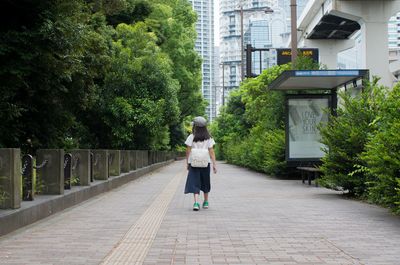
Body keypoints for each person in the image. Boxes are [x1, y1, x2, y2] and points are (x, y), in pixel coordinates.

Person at [184, 116, 217, 211]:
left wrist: (187, 162)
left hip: (194, 163)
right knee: (205, 181)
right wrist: (214, 164)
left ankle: (196, 203)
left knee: (195, 182)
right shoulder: (209, 137)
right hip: (205, 163)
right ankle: (206, 202)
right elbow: (211, 151)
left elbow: (188, 151)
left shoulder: (191, 136)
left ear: (195, 126)